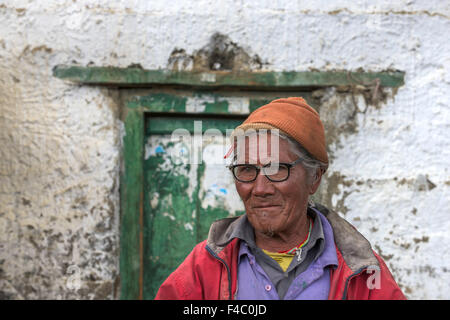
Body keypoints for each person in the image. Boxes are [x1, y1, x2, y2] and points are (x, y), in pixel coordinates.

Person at [155, 97, 405, 300]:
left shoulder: (361, 271)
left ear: (314, 178)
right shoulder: (205, 266)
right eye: (246, 170)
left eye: (276, 169)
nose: (260, 188)